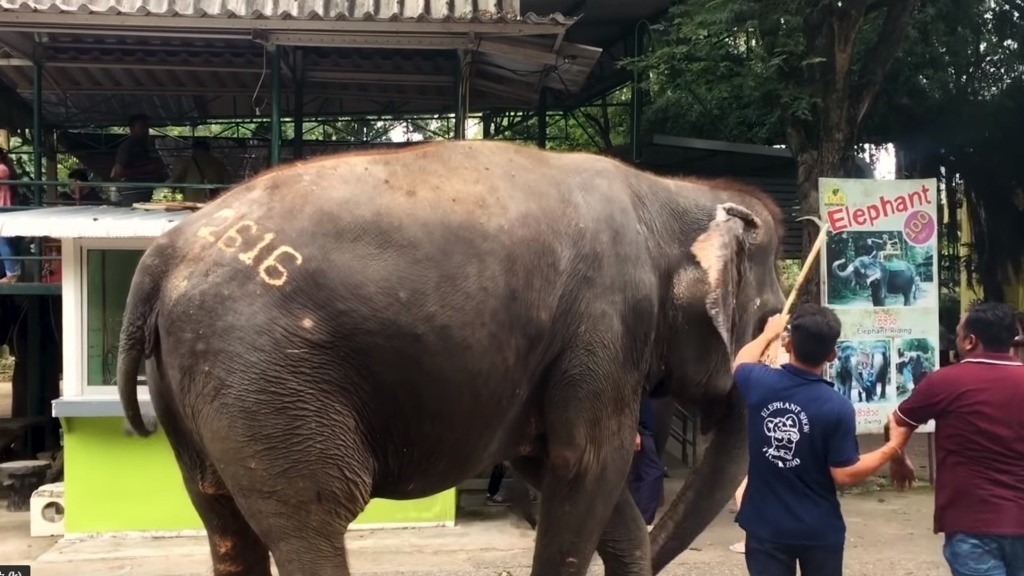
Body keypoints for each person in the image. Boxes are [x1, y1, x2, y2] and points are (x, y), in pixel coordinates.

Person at [733, 304, 909, 576]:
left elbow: (741, 361)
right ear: (832, 355)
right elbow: (845, 474)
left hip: (765, 527)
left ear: (788, 344)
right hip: (818, 529)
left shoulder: (758, 382)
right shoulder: (837, 407)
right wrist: (892, 447)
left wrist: (768, 333)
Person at [888, 302, 1024, 576]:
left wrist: (898, 458)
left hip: (971, 524)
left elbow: (896, 421)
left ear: (971, 341)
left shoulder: (945, 382)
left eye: (958, 333)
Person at [110, 114, 166, 205]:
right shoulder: (127, 146)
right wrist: (146, 169)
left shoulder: (146, 145)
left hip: (144, 190)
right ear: (132, 129)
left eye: (147, 127)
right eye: (142, 127)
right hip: (132, 192)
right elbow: (119, 172)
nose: (145, 130)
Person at [628, 392, 665, 528]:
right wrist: (634, 430)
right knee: (653, 472)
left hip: (643, 429)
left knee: (636, 476)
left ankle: (636, 519)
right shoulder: (630, 380)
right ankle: (643, 520)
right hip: (640, 431)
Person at [166, 139, 232, 203]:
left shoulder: (188, 162)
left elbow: (175, 179)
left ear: (194, 149)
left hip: (192, 199)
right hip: (212, 200)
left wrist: (169, 190)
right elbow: (227, 183)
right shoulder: (218, 163)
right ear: (208, 149)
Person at [0, 147, 21, 283]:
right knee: (5, 241)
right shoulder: (4, 168)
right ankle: (12, 270)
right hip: (4, 206)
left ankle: (12, 273)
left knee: (2, 241)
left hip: (2, 207)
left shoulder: (2, 168)